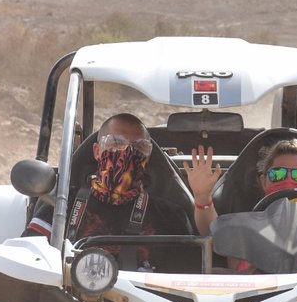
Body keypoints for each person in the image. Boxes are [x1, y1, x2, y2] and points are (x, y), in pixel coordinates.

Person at [25, 112, 193, 269]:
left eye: (139, 147)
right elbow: (27, 259)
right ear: (97, 151)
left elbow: (188, 274)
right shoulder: (63, 204)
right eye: (117, 143)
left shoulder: (168, 215)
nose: (126, 151)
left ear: (147, 157)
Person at [186, 138, 297, 247]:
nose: (288, 181)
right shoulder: (244, 227)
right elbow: (211, 233)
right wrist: (202, 196)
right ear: (263, 181)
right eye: (278, 174)